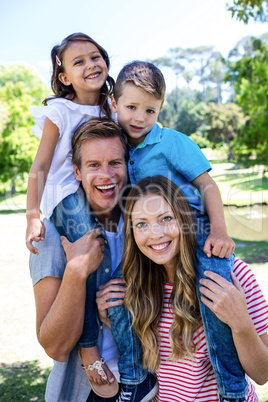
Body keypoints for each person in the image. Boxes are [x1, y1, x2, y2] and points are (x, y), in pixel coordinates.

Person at [110, 60, 246, 401]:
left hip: (195, 232)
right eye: (131, 107)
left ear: (160, 111)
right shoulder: (121, 149)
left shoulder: (171, 142)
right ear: (114, 104)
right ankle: (134, 379)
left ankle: (230, 386)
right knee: (115, 293)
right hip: (155, 236)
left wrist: (219, 232)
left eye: (150, 110)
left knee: (213, 293)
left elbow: (208, 185)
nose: (140, 117)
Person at [106, 175, 268, 402]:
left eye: (165, 218)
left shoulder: (231, 275)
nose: (156, 233)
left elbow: (263, 374)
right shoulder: (135, 287)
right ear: (131, 233)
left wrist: (241, 322)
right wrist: (107, 311)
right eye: (141, 224)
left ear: (184, 219)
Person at [29, 119, 158, 401]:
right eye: (94, 165)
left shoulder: (145, 225)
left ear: (128, 165)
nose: (106, 175)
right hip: (85, 389)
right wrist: (76, 272)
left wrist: (118, 310)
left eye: (115, 162)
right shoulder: (51, 236)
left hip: (153, 381)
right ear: (77, 171)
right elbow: (55, 347)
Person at [25, 32, 119, 396]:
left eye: (95, 57)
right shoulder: (60, 111)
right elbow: (41, 166)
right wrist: (33, 215)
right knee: (90, 254)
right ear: (64, 77)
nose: (90, 64)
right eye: (78, 62)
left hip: (102, 193)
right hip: (68, 196)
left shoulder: (112, 107)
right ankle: (89, 346)